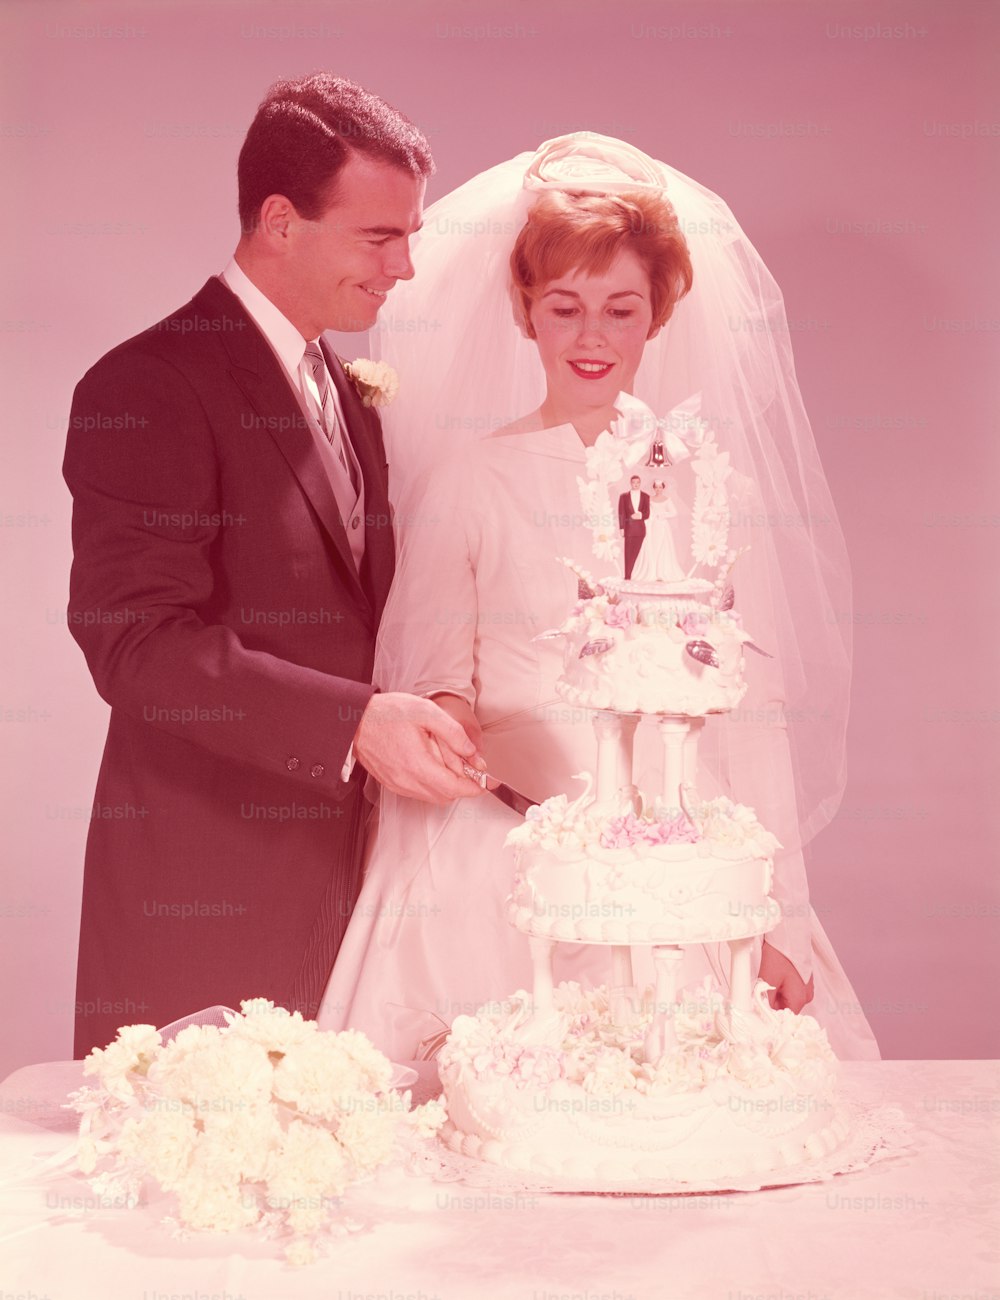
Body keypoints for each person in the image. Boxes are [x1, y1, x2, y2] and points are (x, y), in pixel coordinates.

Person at [319, 134, 879, 1062]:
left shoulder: (706, 486)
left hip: (679, 856)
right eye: (564, 307)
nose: (591, 337)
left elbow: (749, 713)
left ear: (657, 317)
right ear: (526, 313)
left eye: (620, 309)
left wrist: (780, 907)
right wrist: (475, 752)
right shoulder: (471, 479)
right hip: (503, 850)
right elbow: (432, 683)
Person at [62, 74, 484, 1058]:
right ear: (281, 223)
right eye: (381, 237)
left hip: (350, 894)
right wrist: (353, 723)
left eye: (411, 236)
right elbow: (133, 641)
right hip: (203, 899)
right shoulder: (150, 383)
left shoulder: (350, 390)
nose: (407, 269)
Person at [631, 478, 683, 582]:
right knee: (651, 546)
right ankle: (652, 571)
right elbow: (646, 511)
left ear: (663, 488)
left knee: (661, 547)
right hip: (651, 526)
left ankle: (661, 572)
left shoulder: (667, 499)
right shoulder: (649, 499)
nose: (658, 489)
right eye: (656, 487)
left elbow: (674, 512)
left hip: (662, 526)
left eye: (660, 487)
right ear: (653, 488)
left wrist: (663, 515)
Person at [618, 474, 650, 578]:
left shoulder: (646, 496)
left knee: (636, 553)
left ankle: (634, 575)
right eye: (633, 482)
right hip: (629, 529)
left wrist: (640, 515)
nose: (635, 484)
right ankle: (627, 576)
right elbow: (621, 513)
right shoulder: (624, 496)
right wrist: (622, 528)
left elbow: (647, 513)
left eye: (637, 482)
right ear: (630, 483)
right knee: (628, 554)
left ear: (640, 483)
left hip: (640, 530)